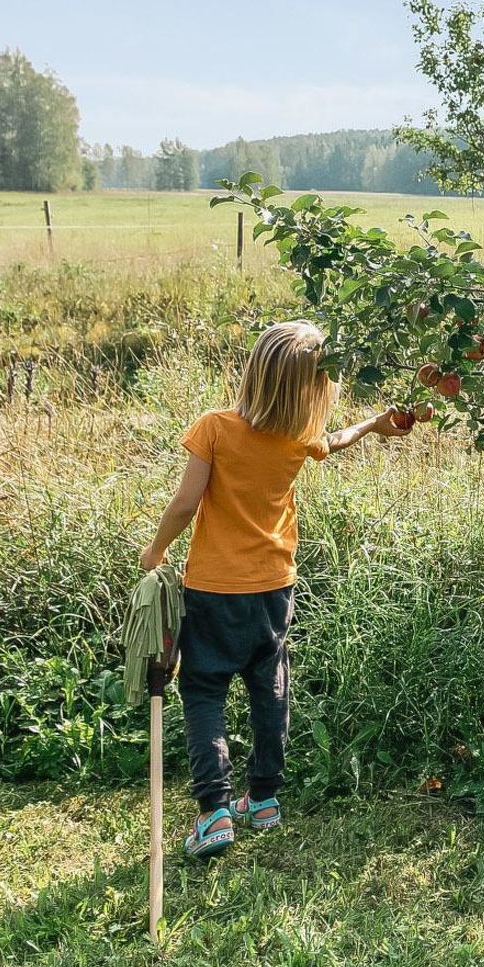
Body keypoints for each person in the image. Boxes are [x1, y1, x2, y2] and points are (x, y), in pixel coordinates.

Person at [139, 320, 412, 859]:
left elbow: (186, 503)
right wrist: (376, 424)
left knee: (204, 690)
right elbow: (334, 438)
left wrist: (156, 549)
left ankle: (215, 809)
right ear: (316, 388)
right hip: (274, 585)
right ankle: (262, 799)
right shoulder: (296, 438)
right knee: (270, 687)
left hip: (214, 588)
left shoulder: (214, 428)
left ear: (256, 371)